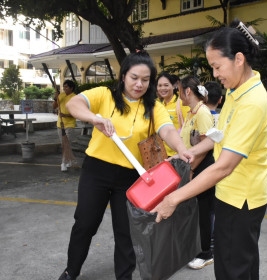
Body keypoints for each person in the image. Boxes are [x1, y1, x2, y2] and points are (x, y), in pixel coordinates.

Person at [152, 19, 267, 280]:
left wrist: (174, 198)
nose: (215, 74)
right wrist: (191, 152)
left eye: (217, 66)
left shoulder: (251, 102)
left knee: (233, 270)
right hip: (232, 194)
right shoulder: (237, 91)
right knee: (241, 264)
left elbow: (225, 165)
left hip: (242, 199)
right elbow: (221, 137)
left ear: (238, 59)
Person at [58, 51, 191, 280]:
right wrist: (94, 118)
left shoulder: (154, 106)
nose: (139, 84)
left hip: (131, 177)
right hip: (97, 171)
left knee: (126, 231)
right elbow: (74, 103)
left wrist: (180, 147)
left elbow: (167, 129)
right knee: (85, 223)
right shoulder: (105, 95)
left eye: (145, 79)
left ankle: (124, 276)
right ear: (123, 76)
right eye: (134, 77)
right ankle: (71, 271)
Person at [178, 75, 215, 269]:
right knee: (196, 212)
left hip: (202, 168)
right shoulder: (192, 113)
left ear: (188, 91)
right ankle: (197, 249)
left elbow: (206, 146)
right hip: (193, 167)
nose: (178, 95)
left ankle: (206, 253)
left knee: (203, 212)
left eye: (179, 90)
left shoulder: (202, 113)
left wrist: (191, 171)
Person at [156, 72, 189, 156]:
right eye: (160, 85)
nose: (162, 88)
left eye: (166, 85)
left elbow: (189, 126)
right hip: (161, 152)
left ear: (173, 86)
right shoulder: (157, 105)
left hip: (177, 153)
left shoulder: (181, 103)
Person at [53, 80, 77, 172]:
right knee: (64, 144)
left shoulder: (75, 97)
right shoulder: (61, 95)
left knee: (66, 144)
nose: (64, 88)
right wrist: (56, 98)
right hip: (60, 124)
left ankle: (63, 163)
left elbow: (77, 112)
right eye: (64, 86)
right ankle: (68, 160)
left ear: (71, 88)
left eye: (67, 87)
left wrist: (66, 115)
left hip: (69, 124)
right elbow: (54, 107)